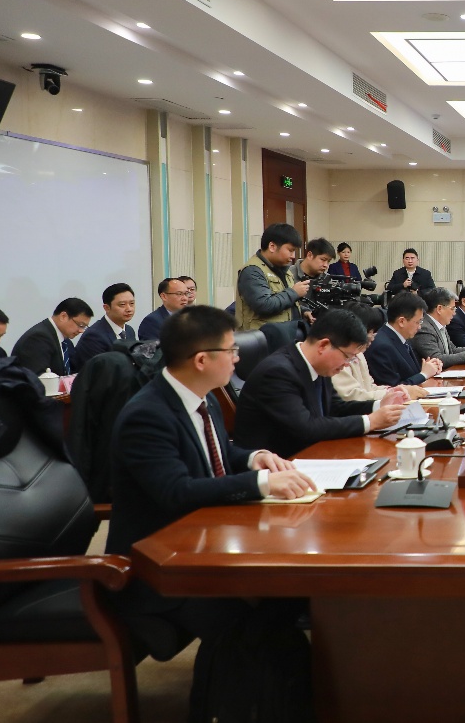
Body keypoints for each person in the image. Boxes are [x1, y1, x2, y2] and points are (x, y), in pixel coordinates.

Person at [105, 305, 315, 695]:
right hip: (160, 565)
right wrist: (261, 484)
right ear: (202, 360)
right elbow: (177, 491)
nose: (237, 358)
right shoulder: (147, 416)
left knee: (292, 596)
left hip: (203, 539)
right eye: (231, 350)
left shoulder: (203, 397)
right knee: (259, 621)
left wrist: (254, 458)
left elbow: (215, 452)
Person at [233, 309, 408, 458]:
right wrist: (370, 421)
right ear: (324, 345)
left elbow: (336, 408)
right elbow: (306, 428)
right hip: (279, 466)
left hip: (312, 455)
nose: (347, 364)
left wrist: (378, 405)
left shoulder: (319, 366)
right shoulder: (278, 372)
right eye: (347, 357)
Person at [333, 303, 425, 403]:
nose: (373, 338)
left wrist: (396, 390)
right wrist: (396, 393)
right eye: (370, 332)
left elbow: (369, 386)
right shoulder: (338, 356)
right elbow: (352, 395)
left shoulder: (359, 354)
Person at [236, 223, 308, 331]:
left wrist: (303, 311)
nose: (293, 256)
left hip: (284, 334)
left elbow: (284, 302)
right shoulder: (252, 270)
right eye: (290, 250)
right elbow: (264, 305)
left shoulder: (284, 270)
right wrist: (294, 292)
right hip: (263, 337)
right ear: (272, 247)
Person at [365, 292, 443, 388]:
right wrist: (424, 374)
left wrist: (430, 367)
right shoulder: (381, 347)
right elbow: (393, 389)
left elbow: (410, 373)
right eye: (418, 322)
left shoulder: (401, 336)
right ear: (402, 321)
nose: (419, 327)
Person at [12, 297, 93, 376]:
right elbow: (38, 379)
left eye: (84, 327)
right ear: (63, 316)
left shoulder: (66, 342)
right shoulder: (38, 338)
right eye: (80, 325)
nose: (81, 331)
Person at [414, 287, 465, 367]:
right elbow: (437, 359)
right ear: (439, 309)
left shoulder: (441, 325)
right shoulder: (425, 329)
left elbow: (452, 350)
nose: (454, 313)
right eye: (452, 308)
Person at [75, 282, 138, 366]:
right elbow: (100, 370)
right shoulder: (94, 336)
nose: (129, 309)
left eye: (132, 303)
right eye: (122, 305)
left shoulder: (129, 330)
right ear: (107, 308)